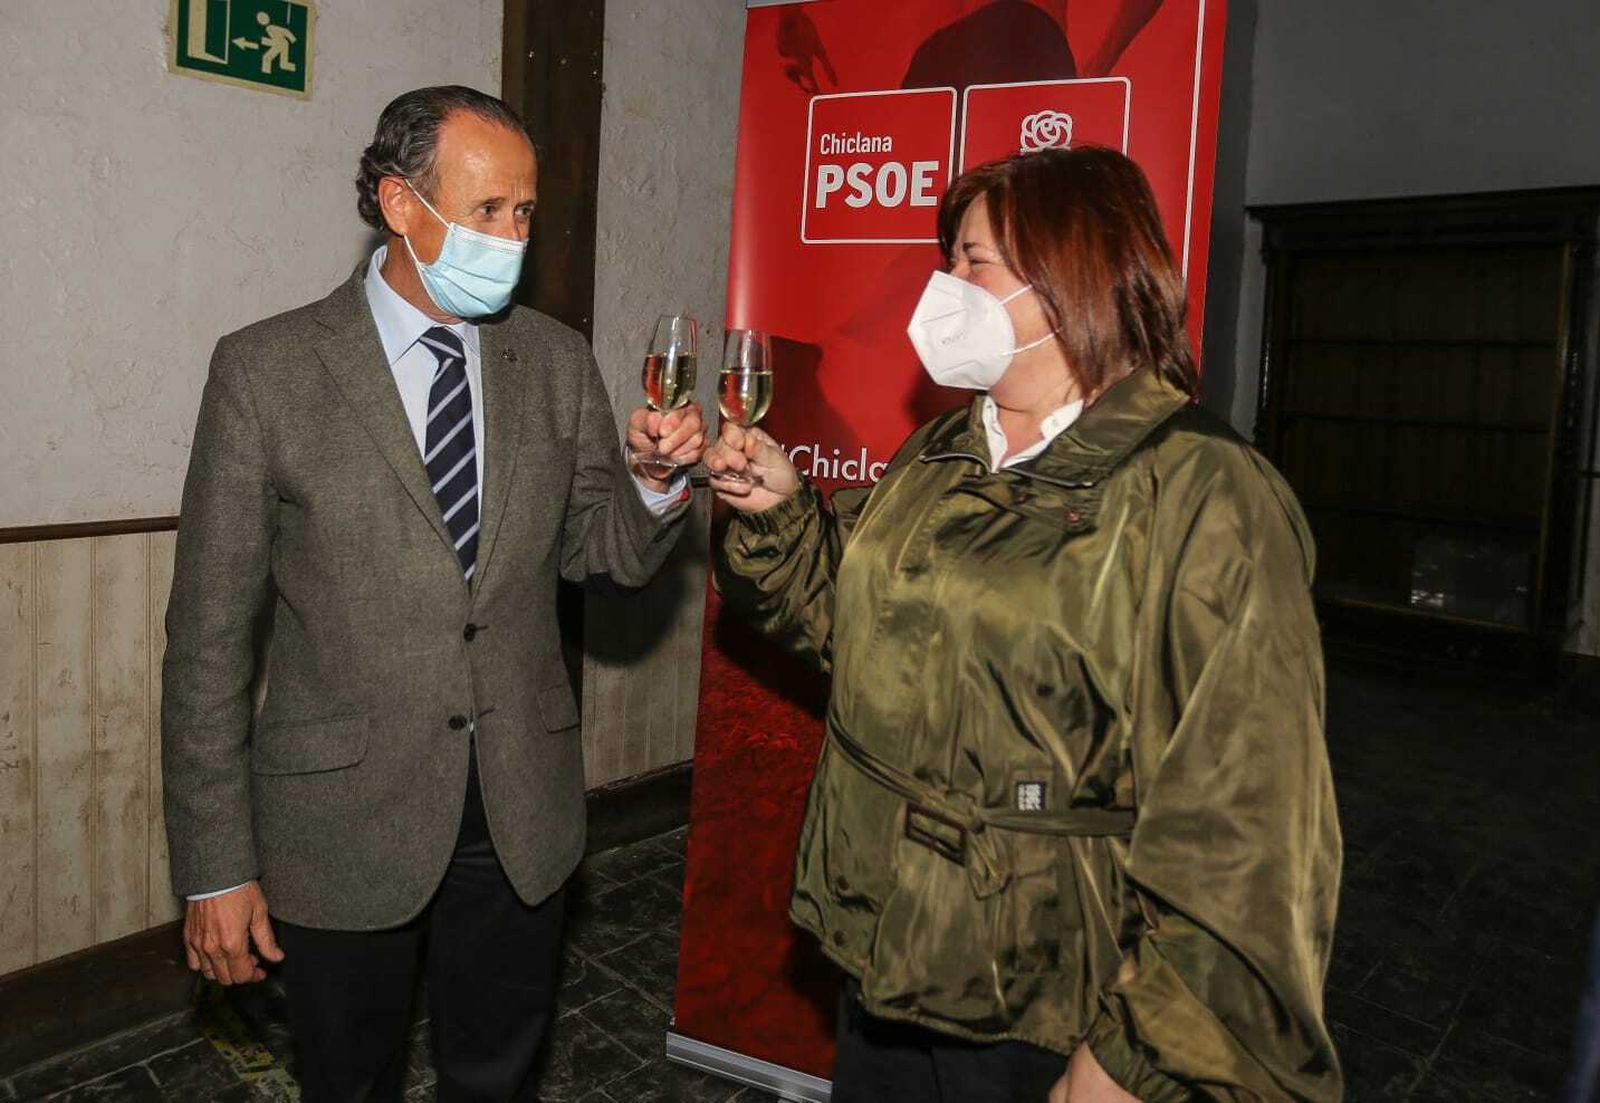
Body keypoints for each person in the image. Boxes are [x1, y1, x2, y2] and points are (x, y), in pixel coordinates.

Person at [707, 147, 1342, 1102]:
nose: (944, 286)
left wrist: (1142, 1054)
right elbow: (856, 626)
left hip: (1048, 1005)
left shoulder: (1204, 494)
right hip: (886, 952)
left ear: (1070, 276)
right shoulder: (946, 448)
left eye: (974, 261)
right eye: (949, 258)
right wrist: (781, 517)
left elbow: (1246, 822)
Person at [161, 85, 704, 1101]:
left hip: (518, 807)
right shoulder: (267, 370)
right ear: (400, 203)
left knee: (498, 1076)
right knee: (348, 1079)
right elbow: (206, 640)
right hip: (341, 817)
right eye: (487, 209)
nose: (513, 237)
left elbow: (604, 553)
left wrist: (655, 484)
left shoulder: (554, 362)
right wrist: (215, 865)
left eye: (525, 211)